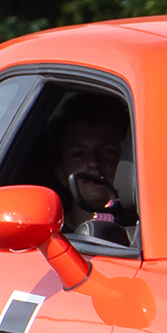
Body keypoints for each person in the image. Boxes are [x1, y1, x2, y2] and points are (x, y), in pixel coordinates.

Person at [48, 92, 132, 241]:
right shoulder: (49, 240)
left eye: (108, 151)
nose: (94, 163)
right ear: (61, 174)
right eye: (79, 154)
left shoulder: (144, 237)